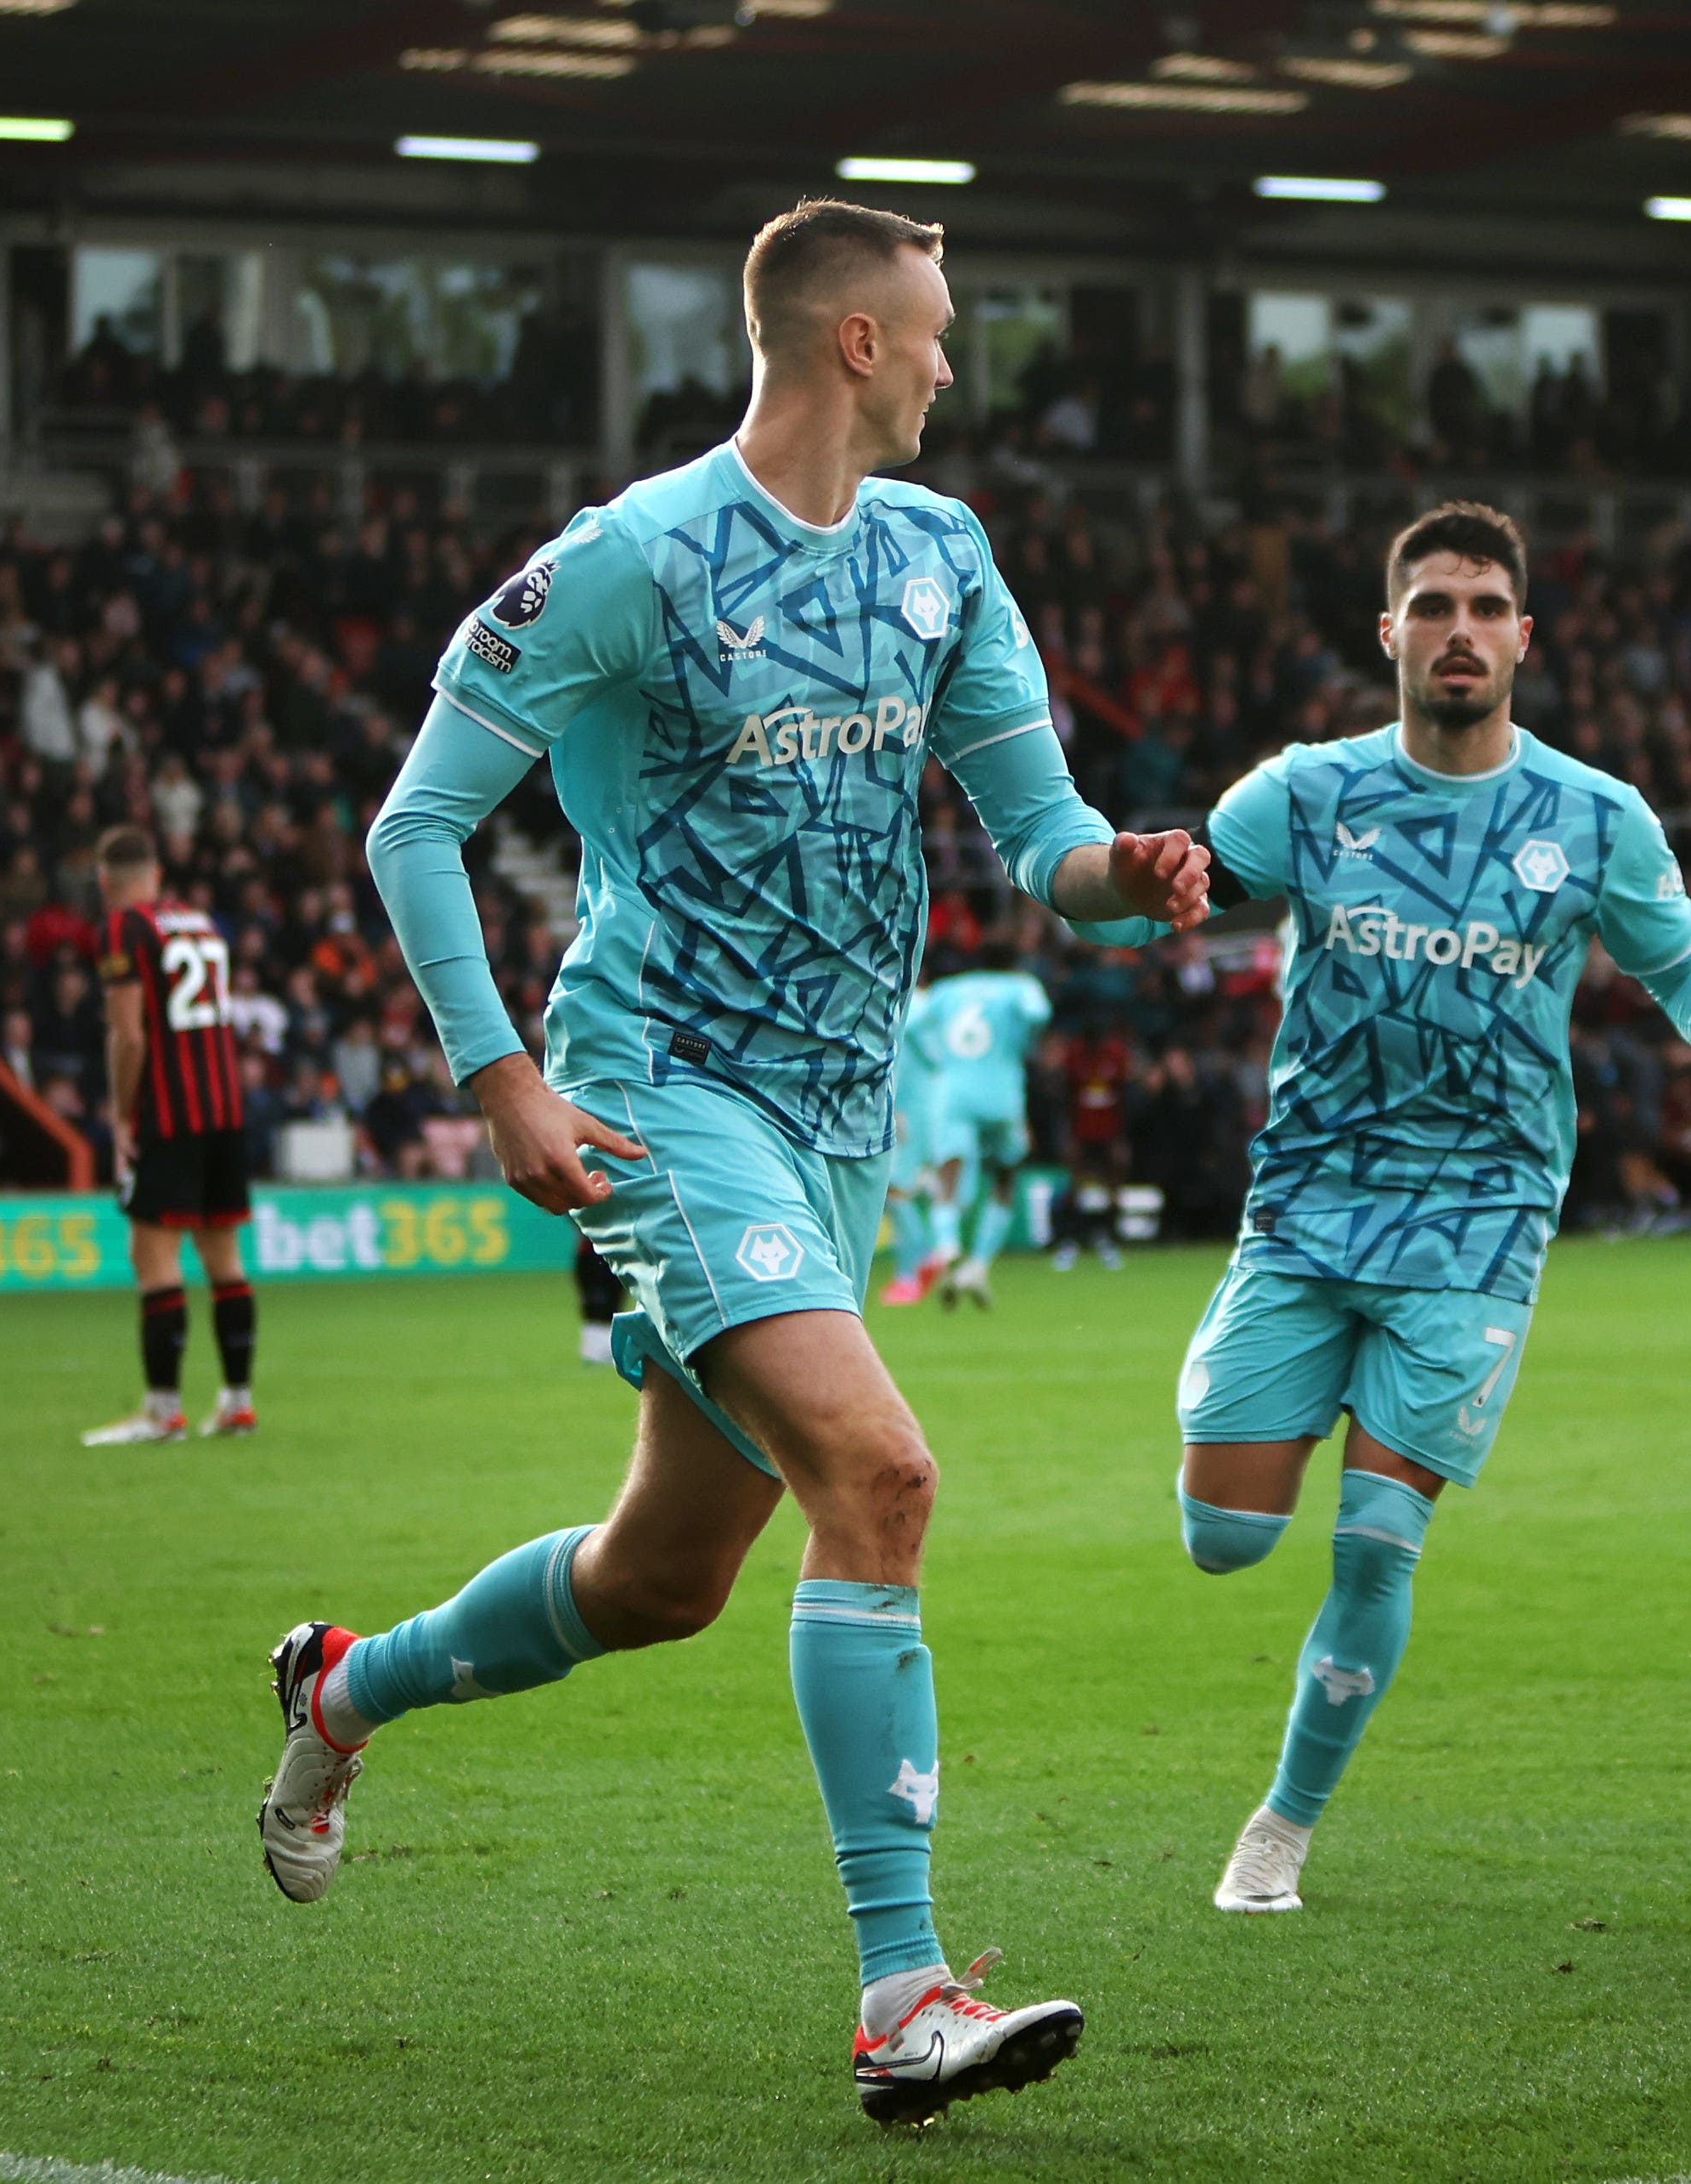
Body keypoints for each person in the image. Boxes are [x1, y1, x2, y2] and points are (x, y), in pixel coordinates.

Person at [279, 198, 1210, 2125]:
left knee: (662, 1578)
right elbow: (416, 824)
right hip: (660, 1087)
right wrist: (505, 1076)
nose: (959, 360)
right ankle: (903, 1993)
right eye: (940, 328)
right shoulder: (634, 557)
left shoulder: (947, 555)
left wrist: (1126, 879)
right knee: (881, 1470)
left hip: (836, 1118)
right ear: (854, 340)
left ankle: (342, 1690)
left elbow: (1039, 834)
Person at [1091, 503, 1691, 1916]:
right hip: (1307, 1203)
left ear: (1523, 636)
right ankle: (1302, 1396)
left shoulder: (1595, 818)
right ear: (1389, 633)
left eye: (1483, 607)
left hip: (1477, 1223)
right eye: (1431, 605)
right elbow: (1161, 898)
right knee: (1223, 1538)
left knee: (1374, 1540)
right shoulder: (1303, 794)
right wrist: (1139, 880)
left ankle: (1280, 1828)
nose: (1457, 631)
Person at [80, 827, 259, 1445]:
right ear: (155, 873)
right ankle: (237, 1401)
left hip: (169, 1113)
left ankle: (162, 1410)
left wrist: (122, 1116)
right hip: (225, 1110)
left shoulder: (123, 927)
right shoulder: (200, 922)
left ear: (105, 883)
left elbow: (128, 1036)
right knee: (223, 1258)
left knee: (152, 1256)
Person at [916, 936, 1051, 1309]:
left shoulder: (947, 990)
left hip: (953, 1091)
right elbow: (1038, 1013)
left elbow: (912, 1025)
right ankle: (978, 1264)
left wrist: (937, 1060)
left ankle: (947, 1244)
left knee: (948, 1176)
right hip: (1000, 1092)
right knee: (1004, 1176)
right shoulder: (1021, 986)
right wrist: (1023, 1043)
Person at [873, 975, 951, 1306]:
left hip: (910, 1109)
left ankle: (913, 1271)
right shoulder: (934, 1007)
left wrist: (895, 1108)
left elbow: (896, 1062)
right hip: (937, 1107)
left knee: (896, 1190)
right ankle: (931, 1252)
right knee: (919, 1188)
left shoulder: (905, 1006)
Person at [572, 1234, 626, 1366]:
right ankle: (595, 1348)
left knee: (612, 1300)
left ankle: (604, 1347)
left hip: (612, 1252)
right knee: (597, 1302)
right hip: (594, 1254)